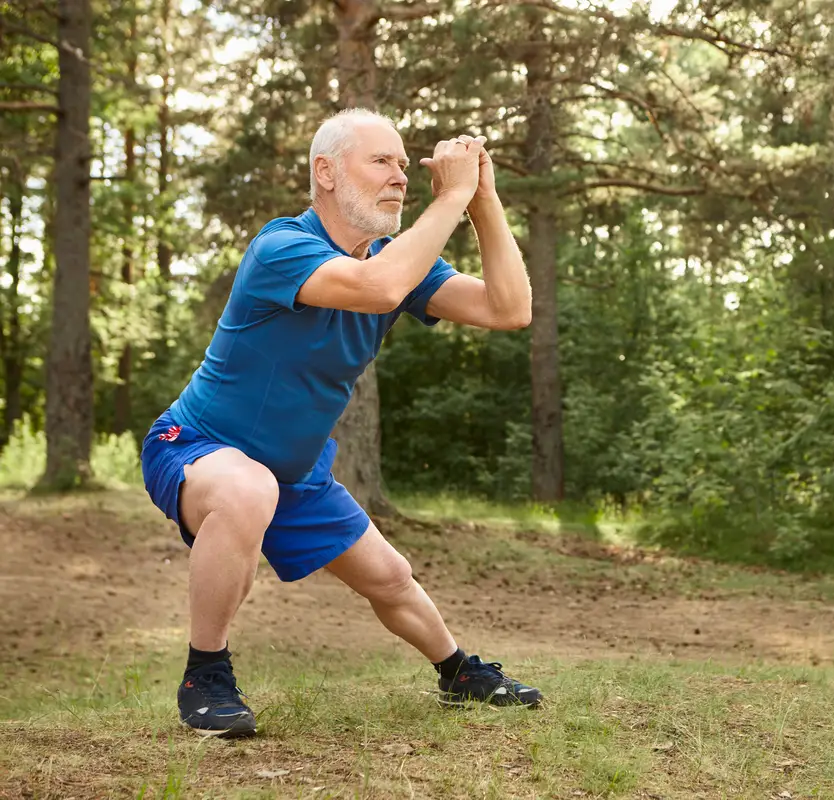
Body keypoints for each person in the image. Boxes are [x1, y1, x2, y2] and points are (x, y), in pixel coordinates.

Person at [140, 108, 540, 739]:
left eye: (406, 163)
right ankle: (205, 674)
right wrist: (453, 195)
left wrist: (482, 201)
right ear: (324, 172)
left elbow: (510, 307)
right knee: (249, 489)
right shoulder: (282, 247)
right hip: (196, 447)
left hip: (294, 473)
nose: (402, 176)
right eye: (382, 160)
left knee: (391, 578)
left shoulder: (396, 262)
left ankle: (459, 673)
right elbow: (378, 287)